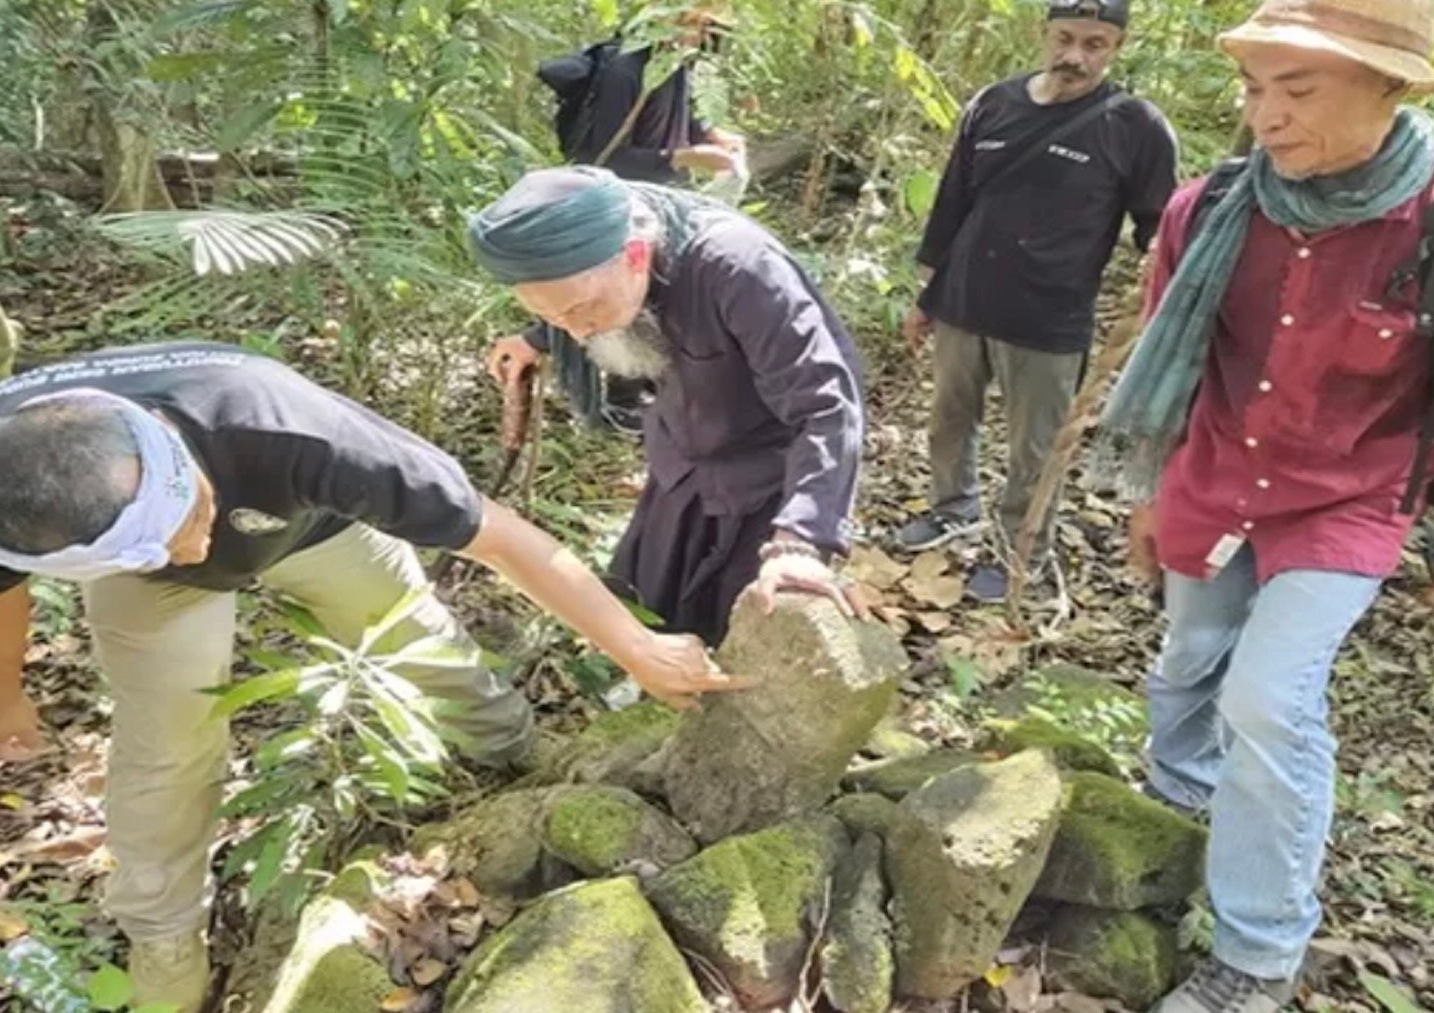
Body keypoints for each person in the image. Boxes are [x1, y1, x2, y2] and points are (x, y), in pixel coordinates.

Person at [0, 343, 745, 1010]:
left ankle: (513, 747)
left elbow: (500, 536)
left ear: (179, 454)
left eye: (187, 516)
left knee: (415, 636)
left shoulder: (286, 426)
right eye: (152, 545)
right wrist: (1, 692)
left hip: (309, 525)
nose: (193, 547)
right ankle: (164, 937)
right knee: (168, 744)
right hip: (148, 590)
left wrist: (633, 644)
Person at [1094, 1, 1434, 1009]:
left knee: (1267, 698)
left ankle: (1253, 958)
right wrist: (1152, 494)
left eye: (1298, 90)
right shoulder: (1207, 210)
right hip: (1213, 477)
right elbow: (1175, 369)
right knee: (1187, 663)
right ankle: (1177, 815)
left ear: (1389, 88)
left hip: (1348, 498)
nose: (1268, 117)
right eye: (1256, 91)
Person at [469, 166, 865, 646]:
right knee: (644, 610)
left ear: (635, 255)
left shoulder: (739, 268)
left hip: (767, 482)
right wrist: (538, 336)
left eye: (577, 312)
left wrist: (801, 540)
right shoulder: (605, 264)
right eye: (550, 316)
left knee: (743, 634)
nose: (576, 332)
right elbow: (571, 298)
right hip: (682, 463)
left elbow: (825, 406)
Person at [895, 0, 1177, 604]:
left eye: (1094, 44)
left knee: (1036, 446)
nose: (1076, 56)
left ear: (1116, 47)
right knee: (948, 419)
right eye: (1066, 38)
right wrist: (928, 294)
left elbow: (1160, 228)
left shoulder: (1135, 126)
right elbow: (952, 204)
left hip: (1049, 317)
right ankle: (951, 508)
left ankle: (1019, 547)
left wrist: (1161, 297)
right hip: (964, 300)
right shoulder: (994, 104)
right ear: (1043, 34)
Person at [501, 0, 748, 435]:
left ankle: (661, 396)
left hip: (665, 204)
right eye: (698, 22)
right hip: (621, 211)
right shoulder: (624, 69)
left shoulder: (672, 62)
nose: (703, 34)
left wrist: (711, 136)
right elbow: (603, 161)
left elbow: (682, 115)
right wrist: (684, 156)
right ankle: (621, 405)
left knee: (662, 300)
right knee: (615, 307)